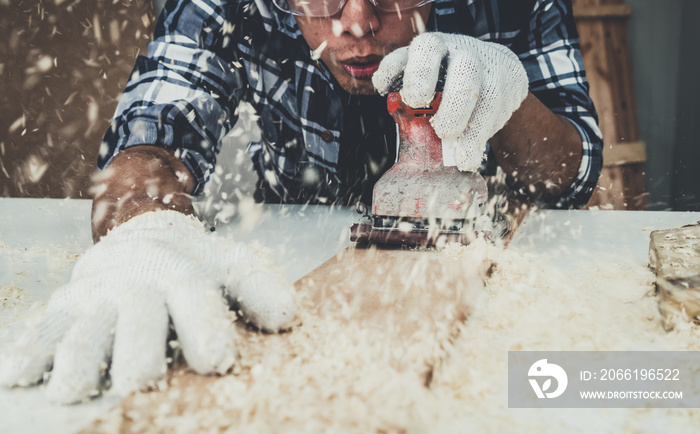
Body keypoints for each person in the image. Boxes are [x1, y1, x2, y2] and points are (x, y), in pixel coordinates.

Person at [0, 0, 602, 403]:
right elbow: (149, 139)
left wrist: (510, 102)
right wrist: (144, 234)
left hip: (493, 283)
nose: (358, 24)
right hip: (293, 270)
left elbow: (573, 174)